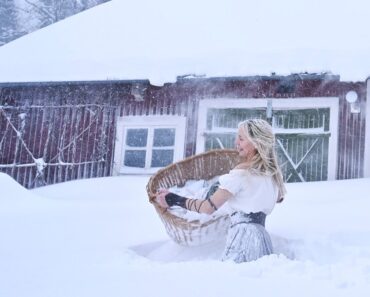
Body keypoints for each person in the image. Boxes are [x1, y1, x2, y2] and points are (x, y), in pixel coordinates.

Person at [155, 119, 286, 263]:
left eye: (241, 139)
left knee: (234, 279)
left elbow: (207, 208)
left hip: (242, 237)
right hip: (262, 238)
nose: (236, 142)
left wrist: (174, 199)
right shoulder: (273, 177)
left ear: (256, 143)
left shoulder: (241, 173)